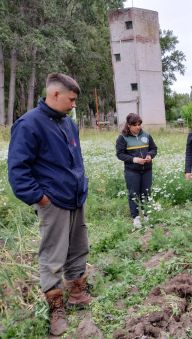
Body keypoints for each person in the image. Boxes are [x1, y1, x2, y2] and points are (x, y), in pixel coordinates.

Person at [8, 73, 91, 336]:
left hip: (75, 197)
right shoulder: (29, 124)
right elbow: (18, 171)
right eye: (71, 99)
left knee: (78, 247)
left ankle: (77, 293)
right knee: (53, 255)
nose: (74, 104)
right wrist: (40, 197)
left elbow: (74, 160)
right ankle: (56, 309)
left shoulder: (67, 123)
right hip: (53, 201)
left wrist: (81, 186)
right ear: (55, 94)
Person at [116, 113, 158, 228]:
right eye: (135, 125)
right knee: (134, 194)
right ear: (129, 125)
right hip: (132, 171)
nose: (138, 127)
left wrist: (150, 155)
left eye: (139, 124)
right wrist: (134, 159)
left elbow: (154, 149)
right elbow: (119, 154)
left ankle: (146, 215)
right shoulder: (123, 138)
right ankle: (136, 217)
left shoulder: (146, 135)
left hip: (147, 170)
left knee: (146, 192)